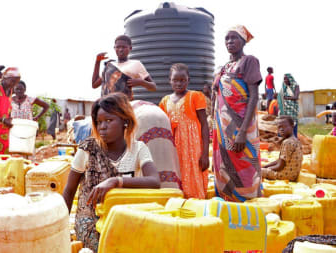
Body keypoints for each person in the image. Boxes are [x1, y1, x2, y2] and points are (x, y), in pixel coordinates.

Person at [63, 93, 160, 252]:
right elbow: (69, 190)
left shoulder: (138, 149)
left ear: (125, 122)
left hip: (124, 217)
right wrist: (62, 227)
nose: (102, 126)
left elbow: (154, 182)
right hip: (90, 221)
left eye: (109, 120)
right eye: (99, 122)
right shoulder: (88, 149)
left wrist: (116, 181)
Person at [211, 25, 262, 202]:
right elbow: (216, 98)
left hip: (241, 127)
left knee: (244, 165)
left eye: (234, 38)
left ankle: (248, 208)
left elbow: (253, 97)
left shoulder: (249, 62)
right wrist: (213, 126)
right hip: (222, 129)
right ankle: (226, 210)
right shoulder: (223, 67)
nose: (230, 41)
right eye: (227, 38)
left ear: (243, 41)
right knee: (223, 166)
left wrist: (241, 132)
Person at [159, 63, 209, 199]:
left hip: (193, 147)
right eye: (175, 80)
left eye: (183, 80)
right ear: (169, 80)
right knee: (176, 171)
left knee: (193, 173)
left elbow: (204, 124)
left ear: (188, 80)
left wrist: (205, 153)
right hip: (173, 146)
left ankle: (196, 203)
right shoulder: (165, 101)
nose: (179, 83)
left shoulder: (195, 96)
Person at [92, 35, 156, 100]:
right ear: (114, 48)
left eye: (124, 47)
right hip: (106, 105)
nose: (120, 50)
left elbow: (153, 87)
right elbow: (94, 84)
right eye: (118, 47)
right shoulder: (109, 65)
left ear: (130, 48)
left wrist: (142, 82)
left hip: (124, 106)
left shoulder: (136, 64)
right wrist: (97, 62)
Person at [262, 116, 303, 181]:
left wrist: (266, 169)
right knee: (262, 169)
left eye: (284, 126)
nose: (281, 129)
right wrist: (265, 166)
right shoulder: (296, 141)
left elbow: (279, 166)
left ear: (292, 126)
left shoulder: (287, 142)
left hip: (284, 176)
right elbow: (280, 160)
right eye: (279, 127)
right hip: (293, 175)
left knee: (256, 172)